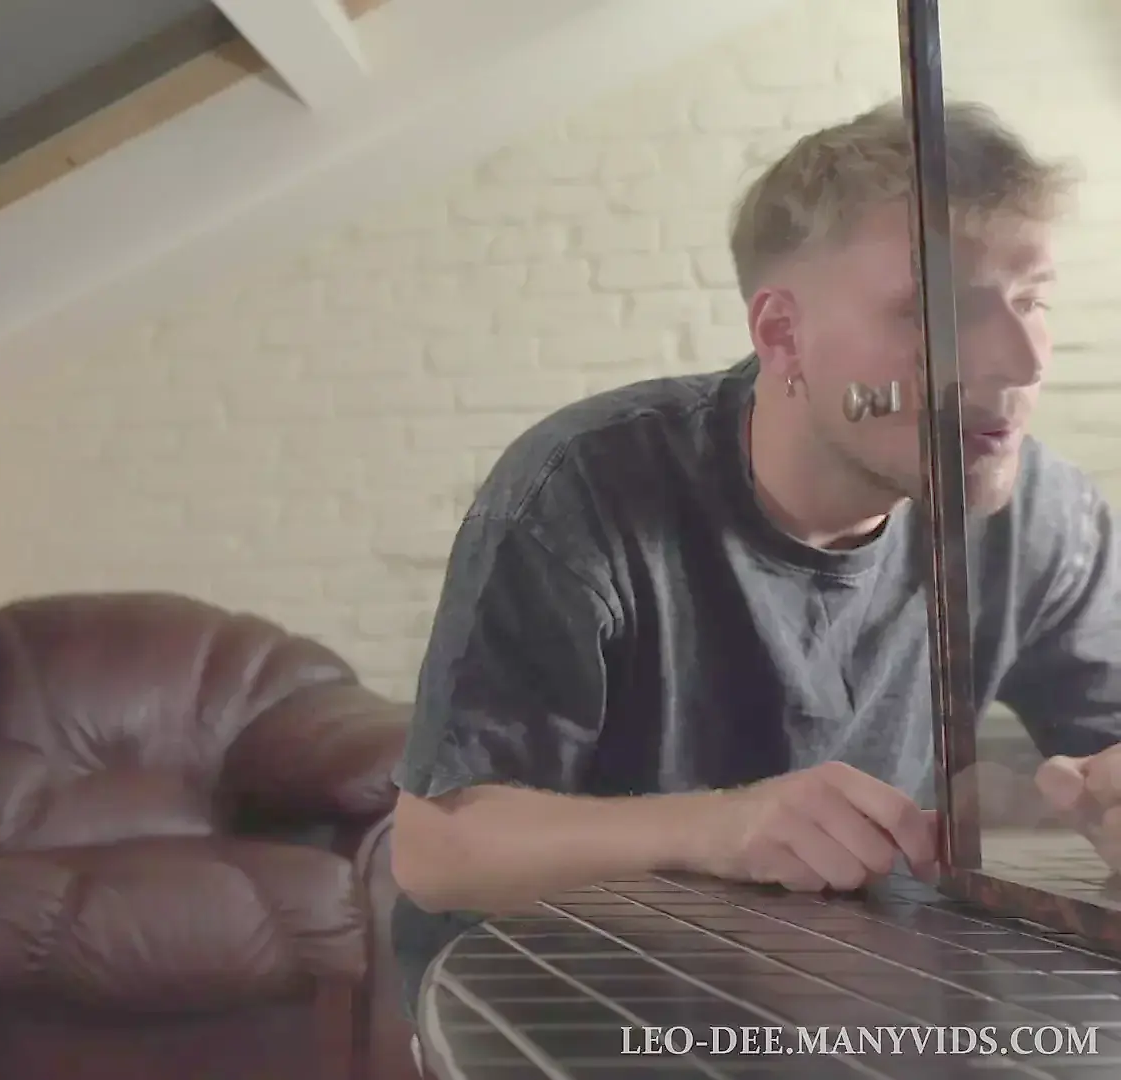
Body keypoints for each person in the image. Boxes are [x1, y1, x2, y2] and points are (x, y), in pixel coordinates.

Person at [387, 98, 1121, 1031]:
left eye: (1032, 300)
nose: (1020, 362)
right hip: (563, 1002)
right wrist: (720, 827)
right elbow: (438, 854)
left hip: (848, 999)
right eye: (938, 311)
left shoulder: (1044, 516)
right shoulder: (585, 486)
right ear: (782, 336)